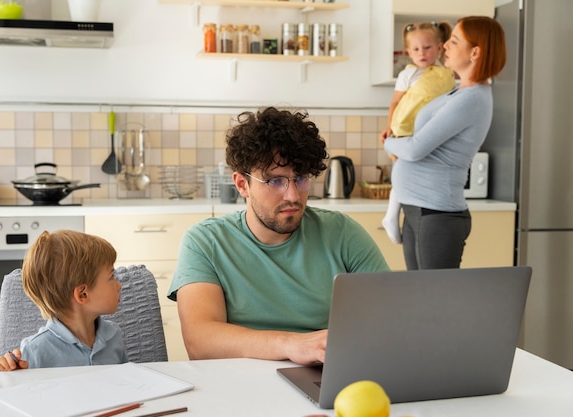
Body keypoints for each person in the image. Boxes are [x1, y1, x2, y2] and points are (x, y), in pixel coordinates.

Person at [168, 107, 389, 365]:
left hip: (325, 377)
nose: (293, 195)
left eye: (301, 179)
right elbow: (200, 341)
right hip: (239, 382)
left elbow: (390, 315)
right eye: (276, 181)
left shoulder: (342, 233)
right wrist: (293, 345)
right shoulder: (205, 242)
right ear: (242, 185)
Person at [382, 16, 506, 270]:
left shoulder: (471, 99)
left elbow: (415, 149)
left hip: (437, 215)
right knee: (421, 298)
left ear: (475, 52)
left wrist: (388, 143)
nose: (445, 46)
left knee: (436, 302)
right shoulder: (459, 91)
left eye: (454, 41)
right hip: (420, 210)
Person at [0, 230, 127, 371]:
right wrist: (5, 374)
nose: (119, 285)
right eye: (111, 277)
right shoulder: (34, 352)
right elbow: (21, 391)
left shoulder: (113, 335)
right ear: (82, 294)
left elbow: (129, 383)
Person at [380, 21, 456, 244]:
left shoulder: (446, 75)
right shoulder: (409, 74)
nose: (421, 53)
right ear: (408, 52)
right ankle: (392, 215)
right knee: (401, 172)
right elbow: (395, 103)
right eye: (416, 49)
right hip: (405, 131)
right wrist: (390, 129)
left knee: (414, 175)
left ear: (440, 47)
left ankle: (398, 214)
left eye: (427, 47)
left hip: (429, 133)